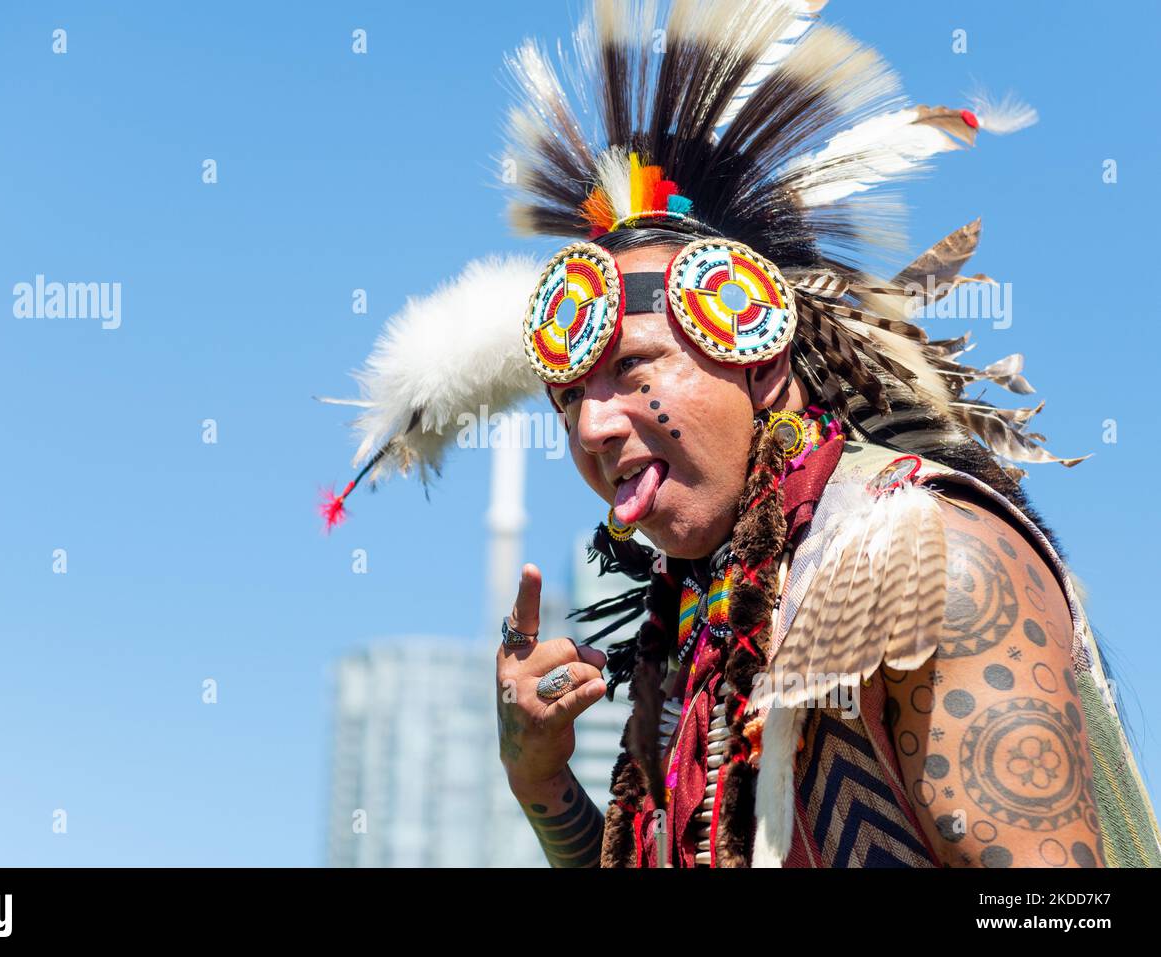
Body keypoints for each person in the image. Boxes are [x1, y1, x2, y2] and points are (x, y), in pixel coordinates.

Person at [321, 0, 1161, 867]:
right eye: (569, 398)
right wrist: (540, 781)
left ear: (757, 357)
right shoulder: (706, 625)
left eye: (635, 370)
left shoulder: (920, 553)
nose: (594, 425)